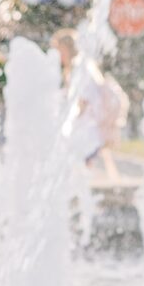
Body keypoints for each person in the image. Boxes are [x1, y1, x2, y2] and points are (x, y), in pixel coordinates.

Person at [51, 29, 130, 183]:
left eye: (59, 50)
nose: (58, 55)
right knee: (78, 159)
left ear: (66, 49)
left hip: (89, 125)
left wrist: (70, 119)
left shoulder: (79, 68)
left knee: (73, 154)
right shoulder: (83, 66)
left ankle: (81, 190)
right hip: (91, 124)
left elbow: (84, 100)